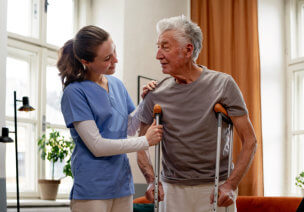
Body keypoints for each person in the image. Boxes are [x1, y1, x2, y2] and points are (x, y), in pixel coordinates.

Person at [136, 15, 257, 212]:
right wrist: (151, 180)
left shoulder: (223, 84)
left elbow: (250, 140)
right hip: (171, 190)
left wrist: (231, 185)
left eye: (165, 47)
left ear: (188, 50)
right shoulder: (155, 92)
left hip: (215, 188)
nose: (158, 55)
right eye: (158, 47)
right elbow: (139, 141)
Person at [58, 25, 163, 212]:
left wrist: (145, 102)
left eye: (114, 51)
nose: (115, 60)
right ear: (86, 61)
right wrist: (145, 141)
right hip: (93, 189)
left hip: (122, 184)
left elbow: (130, 127)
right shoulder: (74, 93)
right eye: (107, 58)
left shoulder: (116, 84)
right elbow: (97, 146)